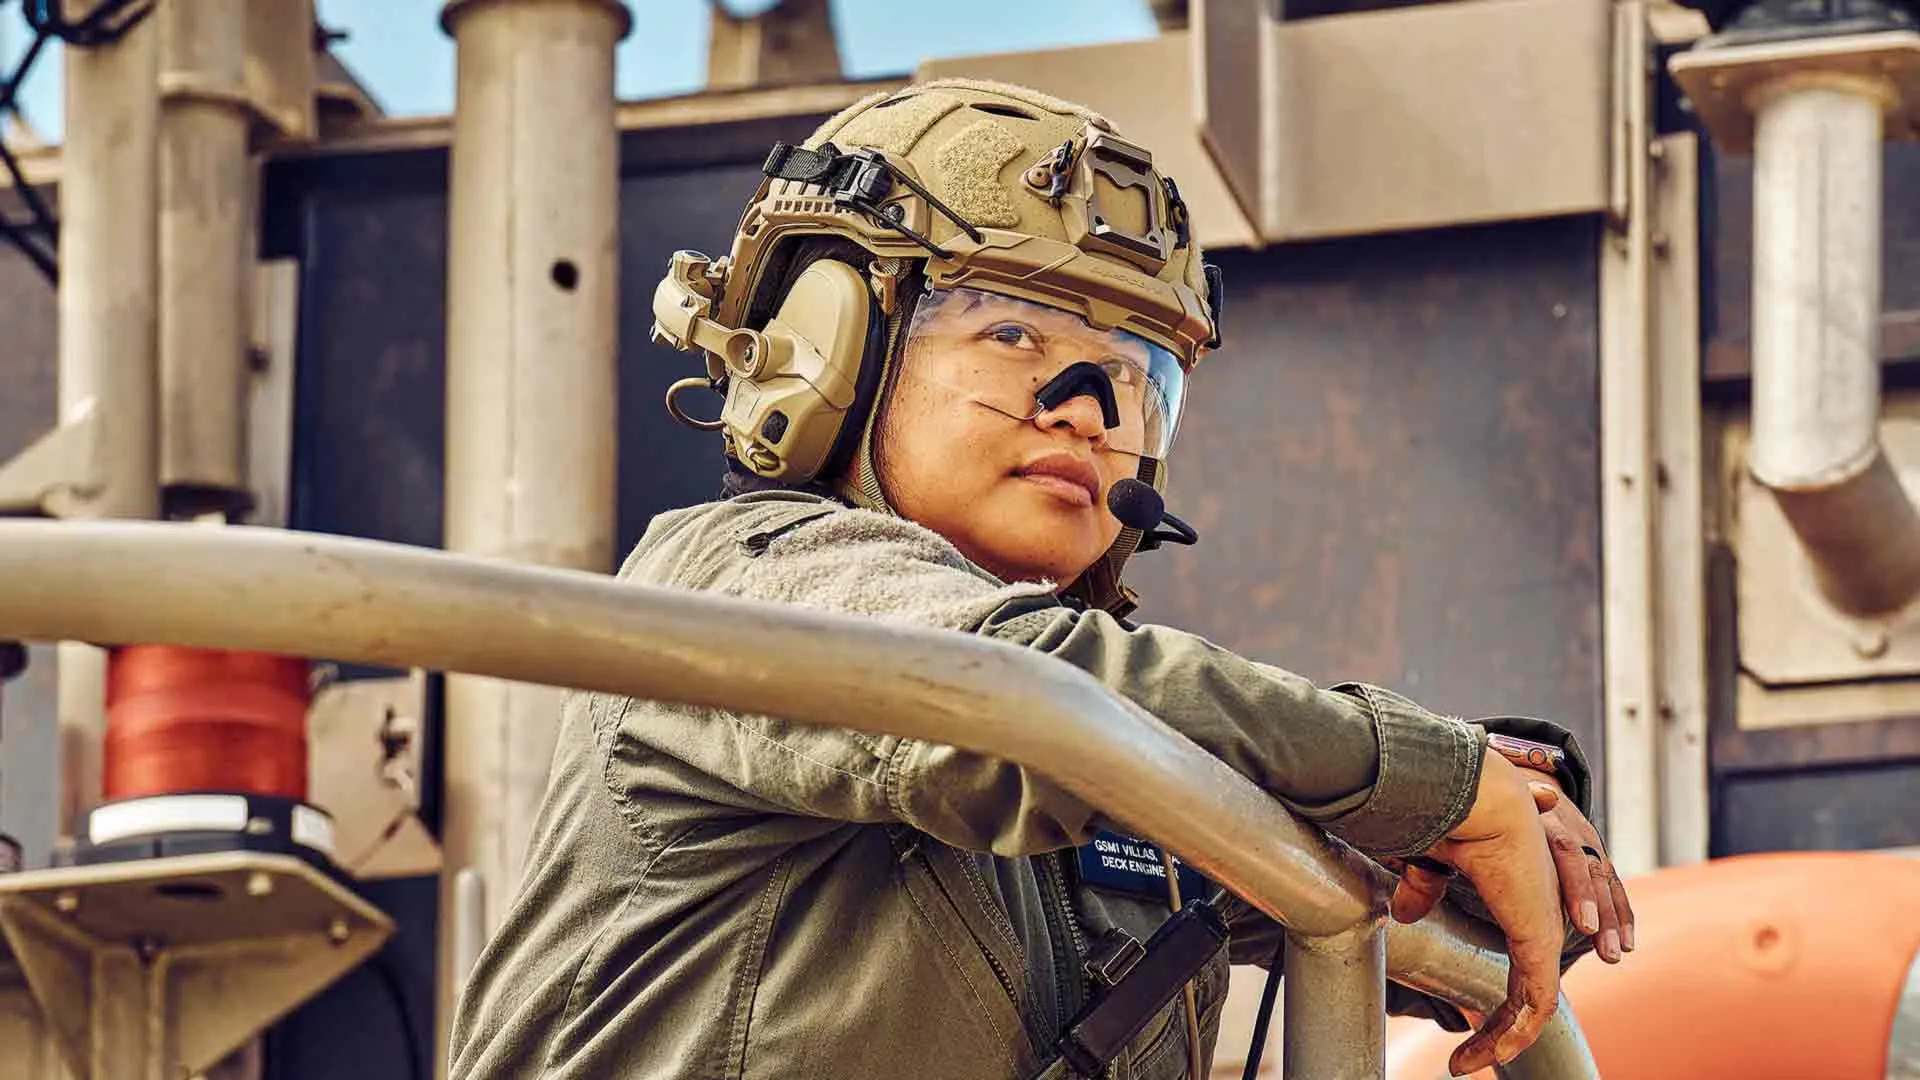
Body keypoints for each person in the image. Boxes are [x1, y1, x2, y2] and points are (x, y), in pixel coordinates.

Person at [448, 79, 1632, 1080]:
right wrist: (1419, 775)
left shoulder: (1124, 779)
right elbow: (1004, 694)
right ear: (829, 348)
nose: (1088, 409)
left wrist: (1479, 814)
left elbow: (1474, 923)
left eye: (1135, 374)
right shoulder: (739, 584)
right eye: (1011, 335)